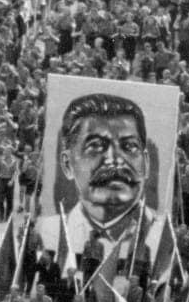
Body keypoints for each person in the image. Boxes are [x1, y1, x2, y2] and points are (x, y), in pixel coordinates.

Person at [57, 93, 157, 258]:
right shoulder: (51, 233)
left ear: (145, 163)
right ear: (68, 164)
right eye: (95, 146)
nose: (115, 160)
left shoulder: (161, 237)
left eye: (129, 146)